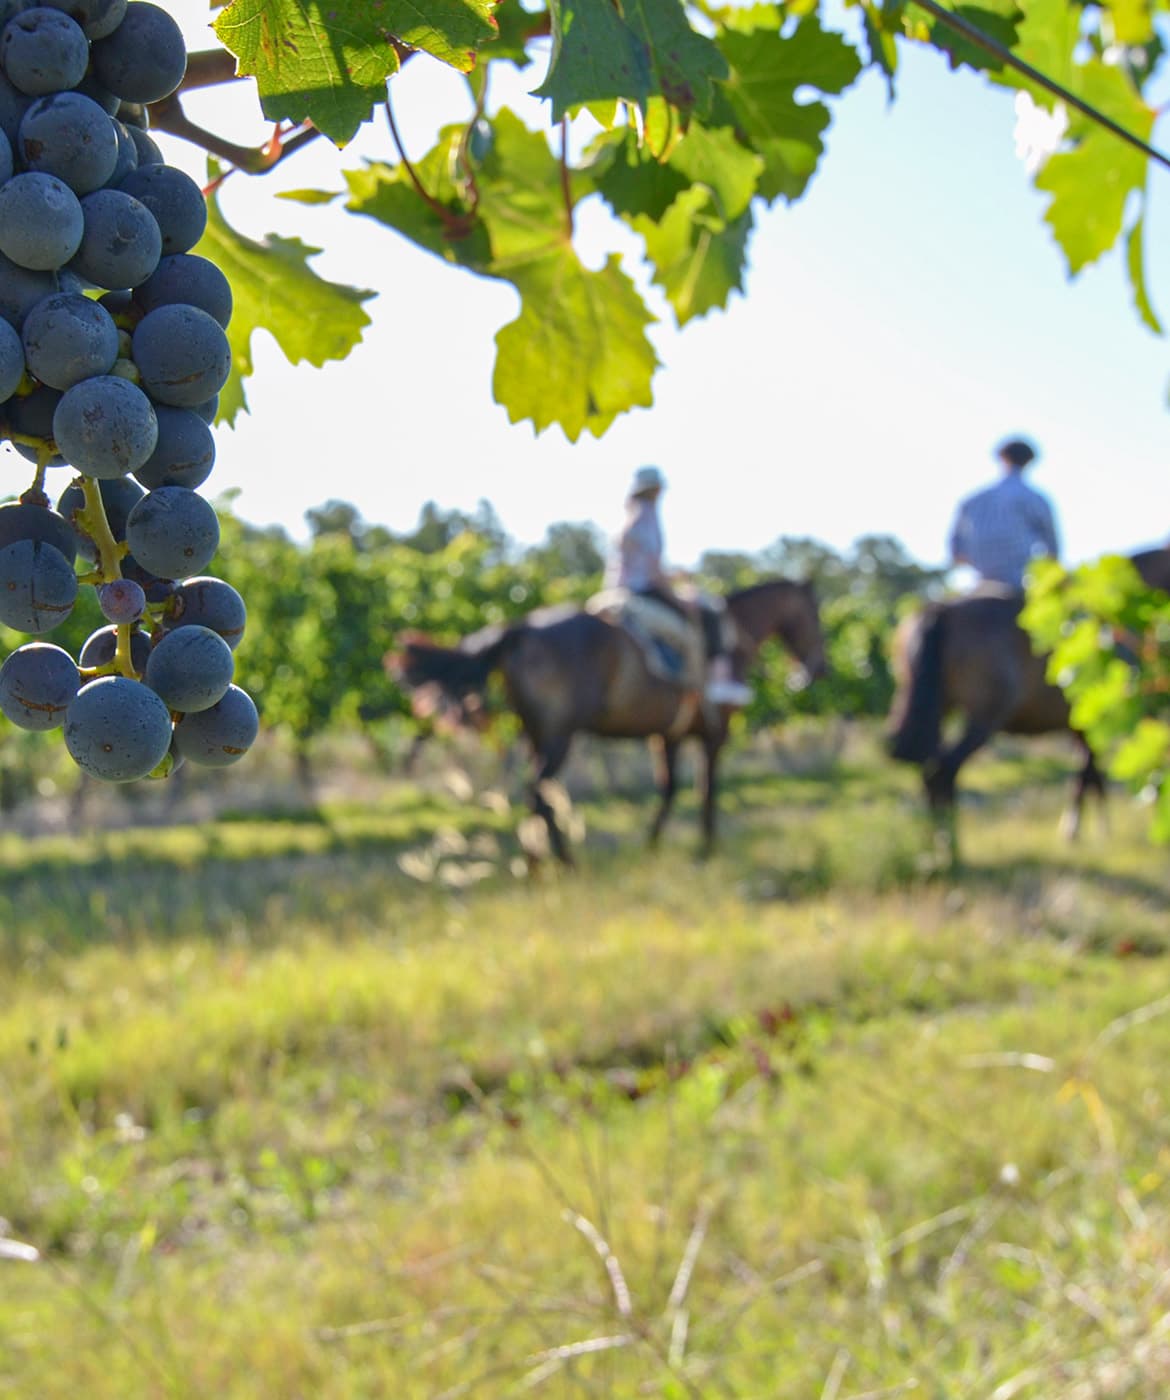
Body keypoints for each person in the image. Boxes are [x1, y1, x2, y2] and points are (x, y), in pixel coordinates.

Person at [606, 466, 753, 706]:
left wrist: (675, 576)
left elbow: (640, 566)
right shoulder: (647, 519)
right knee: (703, 617)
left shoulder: (628, 519)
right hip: (642, 593)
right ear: (656, 491)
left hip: (616, 590)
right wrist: (679, 599)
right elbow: (652, 575)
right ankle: (712, 684)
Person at [948, 437, 1060, 590]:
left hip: (979, 582)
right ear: (1029, 462)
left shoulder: (973, 500)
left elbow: (956, 552)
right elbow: (1052, 551)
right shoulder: (1035, 498)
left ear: (1002, 458)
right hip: (1019, 583)